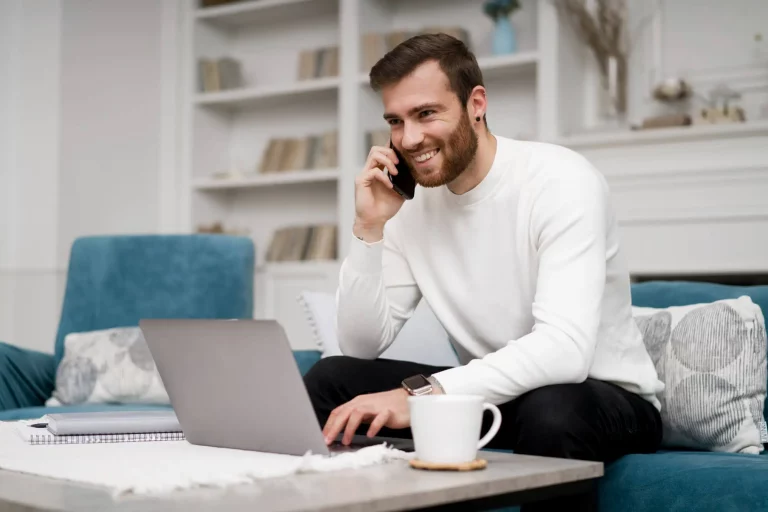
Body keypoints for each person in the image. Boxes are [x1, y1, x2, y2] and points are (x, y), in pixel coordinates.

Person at [303, 33, 664, 511]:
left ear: (476, 103)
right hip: (496, 394)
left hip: (601, 400)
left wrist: (422, 396)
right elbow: (361, 343)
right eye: (396, 121)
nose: (409, 139)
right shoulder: (408, 208)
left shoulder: (561, 180)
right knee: (331, 379)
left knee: (553, 407)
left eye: (426, 114)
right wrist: (369, 228)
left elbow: (565, 352)